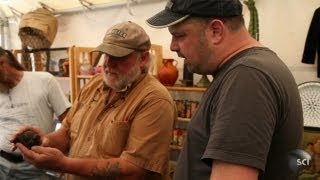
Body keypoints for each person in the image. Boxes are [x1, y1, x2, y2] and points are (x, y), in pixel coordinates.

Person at [146, 0, 303, 179]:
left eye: (179, 35)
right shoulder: (247, 71)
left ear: (216, 31)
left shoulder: (247, 77)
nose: (173, 46)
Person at [12, 21, 176, 180]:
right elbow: (67, 132)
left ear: (143, 59)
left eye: (118, 57)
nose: (108, 64)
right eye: (106, 55)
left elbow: (133, 171)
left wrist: (63, 164)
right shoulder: (95, 84)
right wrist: (45, 141)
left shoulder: (155, 100)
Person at [0, 47, 71, 179]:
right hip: (2, 165)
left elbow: (71, 123)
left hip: (35, 167)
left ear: (2, 63)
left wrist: (66, 162)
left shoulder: (44, 81)